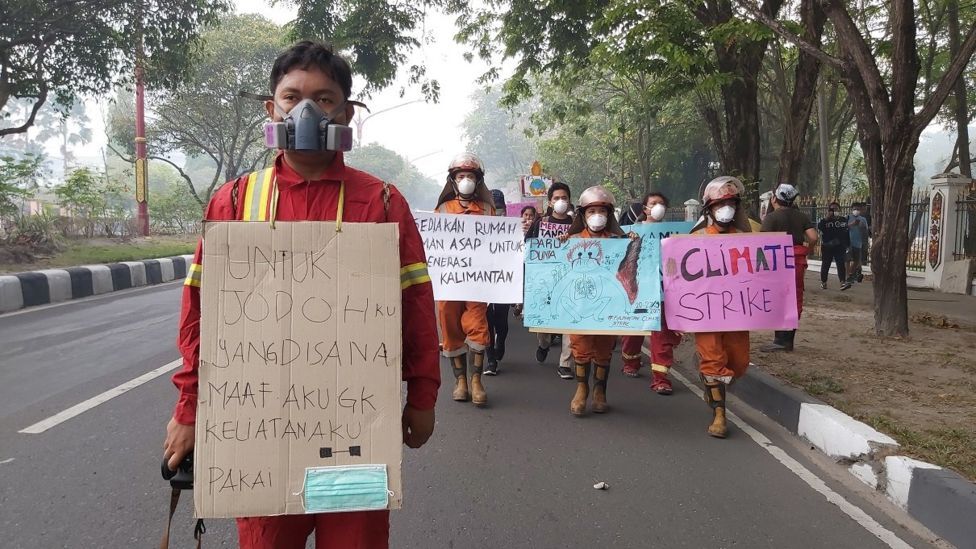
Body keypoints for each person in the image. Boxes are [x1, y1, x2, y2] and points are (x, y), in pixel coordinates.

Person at [163, 41, 439, 549]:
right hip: (261, 438)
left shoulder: (381, 201)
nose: (307, 110)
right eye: (292, 96)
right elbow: (201, 316)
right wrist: (190, 410)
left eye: (325, 99)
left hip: (354, 434)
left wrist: (423, 396)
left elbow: (416, 308)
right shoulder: (236, 201)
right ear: (272, 109)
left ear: (347, 111)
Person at [559, 186, 633, 416]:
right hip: (579, 306)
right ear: (583, 215)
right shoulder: (570, 240)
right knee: (580, 349)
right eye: (591, 211)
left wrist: (633, 242)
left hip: (606, 306)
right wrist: (559, 245)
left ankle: (600, 392)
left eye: (602, 211)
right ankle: (582, 389)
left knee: (603, 350)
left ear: (609, 215)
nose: (597, 216)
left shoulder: (618, 241)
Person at [691, 176, 752, 438]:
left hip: (737, 312)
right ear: (709, 209)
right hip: (707, 313)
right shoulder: (696, 238)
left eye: (730, 203)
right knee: (714, 360)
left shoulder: (749, 239)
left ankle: (709, 383)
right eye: (719, 204)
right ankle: (720, 414)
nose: (725, 209)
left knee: (738, 363)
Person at [434, 152, 495, 406]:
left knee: (478, 327)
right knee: (449, 327)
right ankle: (460, 381)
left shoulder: (489, 210)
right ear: (453, 180)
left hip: (478, 281)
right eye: (462, 176)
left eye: (470, 176)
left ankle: (476, 381)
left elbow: (499, 244)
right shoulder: (442, 210)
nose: (466, 180)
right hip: (449, 281)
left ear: (478, 180)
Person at [619, 191, 682, 395]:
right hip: (638, 287)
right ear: (644, 208)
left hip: (664, 290)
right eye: (653, 203)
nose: (657, 207)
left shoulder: (675, 235)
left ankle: (661, 379)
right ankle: (631, 361)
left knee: (662, 332)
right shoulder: (633, 231)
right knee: (635, 328)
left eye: (661, 203)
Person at [760, 184, 819, 352]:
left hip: (778, 263)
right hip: (797, 262)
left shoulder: (771, 218)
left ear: (774, 199)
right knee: (795, 298)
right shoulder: (801, 217)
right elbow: (813, 237)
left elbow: (763, 242)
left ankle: (779, 340)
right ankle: (788, 341)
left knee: (778, 298)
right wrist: (809, 249)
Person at [525, 182, 575, 379]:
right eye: (556, 198)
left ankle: (565, 363)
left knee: (570, 321)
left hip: (569, 279)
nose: (561, 201)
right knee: (544, 325)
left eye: (564, 198)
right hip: (545, 281)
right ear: (550, 202)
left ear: (569, 201)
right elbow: (529, 246)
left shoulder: (576, 225)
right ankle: (543, 344)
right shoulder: (540, 223)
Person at [485, 189, 512, 376]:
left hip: (504, 282)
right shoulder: (477, 228)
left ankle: (500, 340)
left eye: (500, 208)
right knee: (486, 320)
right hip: (483, 281)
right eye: (493, 208)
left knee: (501, 319)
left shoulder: (513, 229)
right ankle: (491, 359)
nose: (497, 211)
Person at [817, 201, 850, 290]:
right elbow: (819, 227)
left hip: (839, 246)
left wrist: (847, 244)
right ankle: (823, 282)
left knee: (840, 264)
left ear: (840, 210)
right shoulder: (825, 220)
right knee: (826, 264)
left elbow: (846, 233)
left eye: (836, 209)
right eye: (832, 209)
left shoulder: (843, 220)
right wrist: (827, 218)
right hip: (827, 246)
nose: (834, 210)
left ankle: (842, 282)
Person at [847, 203, 869, 284]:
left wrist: (862, 227)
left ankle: (851, 274)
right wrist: (852, 224)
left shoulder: (863, 219)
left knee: (856, 261)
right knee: (848, 260)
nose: (856, 211)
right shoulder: (848, 217)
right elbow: (844, 227)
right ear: (852, 209)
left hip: (858, 243)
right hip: (848, 242)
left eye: (858, 209)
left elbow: (866, 231)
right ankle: (848, 276)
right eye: (854, 209)